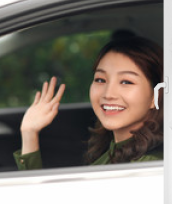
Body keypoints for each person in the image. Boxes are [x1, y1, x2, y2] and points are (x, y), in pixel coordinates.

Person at [13, 37, 163, 170]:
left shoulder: (148, 167)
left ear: (155, 95)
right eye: (100, 79)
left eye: (126, 82)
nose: (108, 94)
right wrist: (29, 134)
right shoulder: (113, 151)